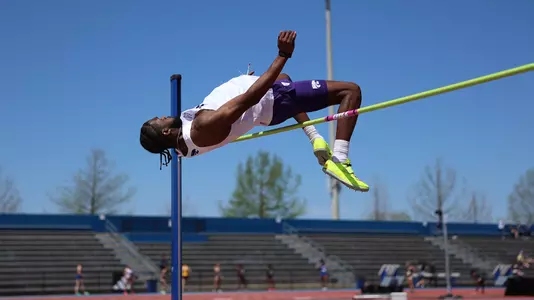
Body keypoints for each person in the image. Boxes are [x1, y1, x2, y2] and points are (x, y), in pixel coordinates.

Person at [139, 30, 368, 192]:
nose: (162, 116)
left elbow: (232, 105)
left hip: (269, 103)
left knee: (284, 78)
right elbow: (249, 99)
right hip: (274, 99)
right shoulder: (202, 126)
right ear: (166, 132)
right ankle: (340, 159)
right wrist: (283, 55)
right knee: (350, 91)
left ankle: (315, 137)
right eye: (159, 120)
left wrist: (244, 81)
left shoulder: (183, 145)